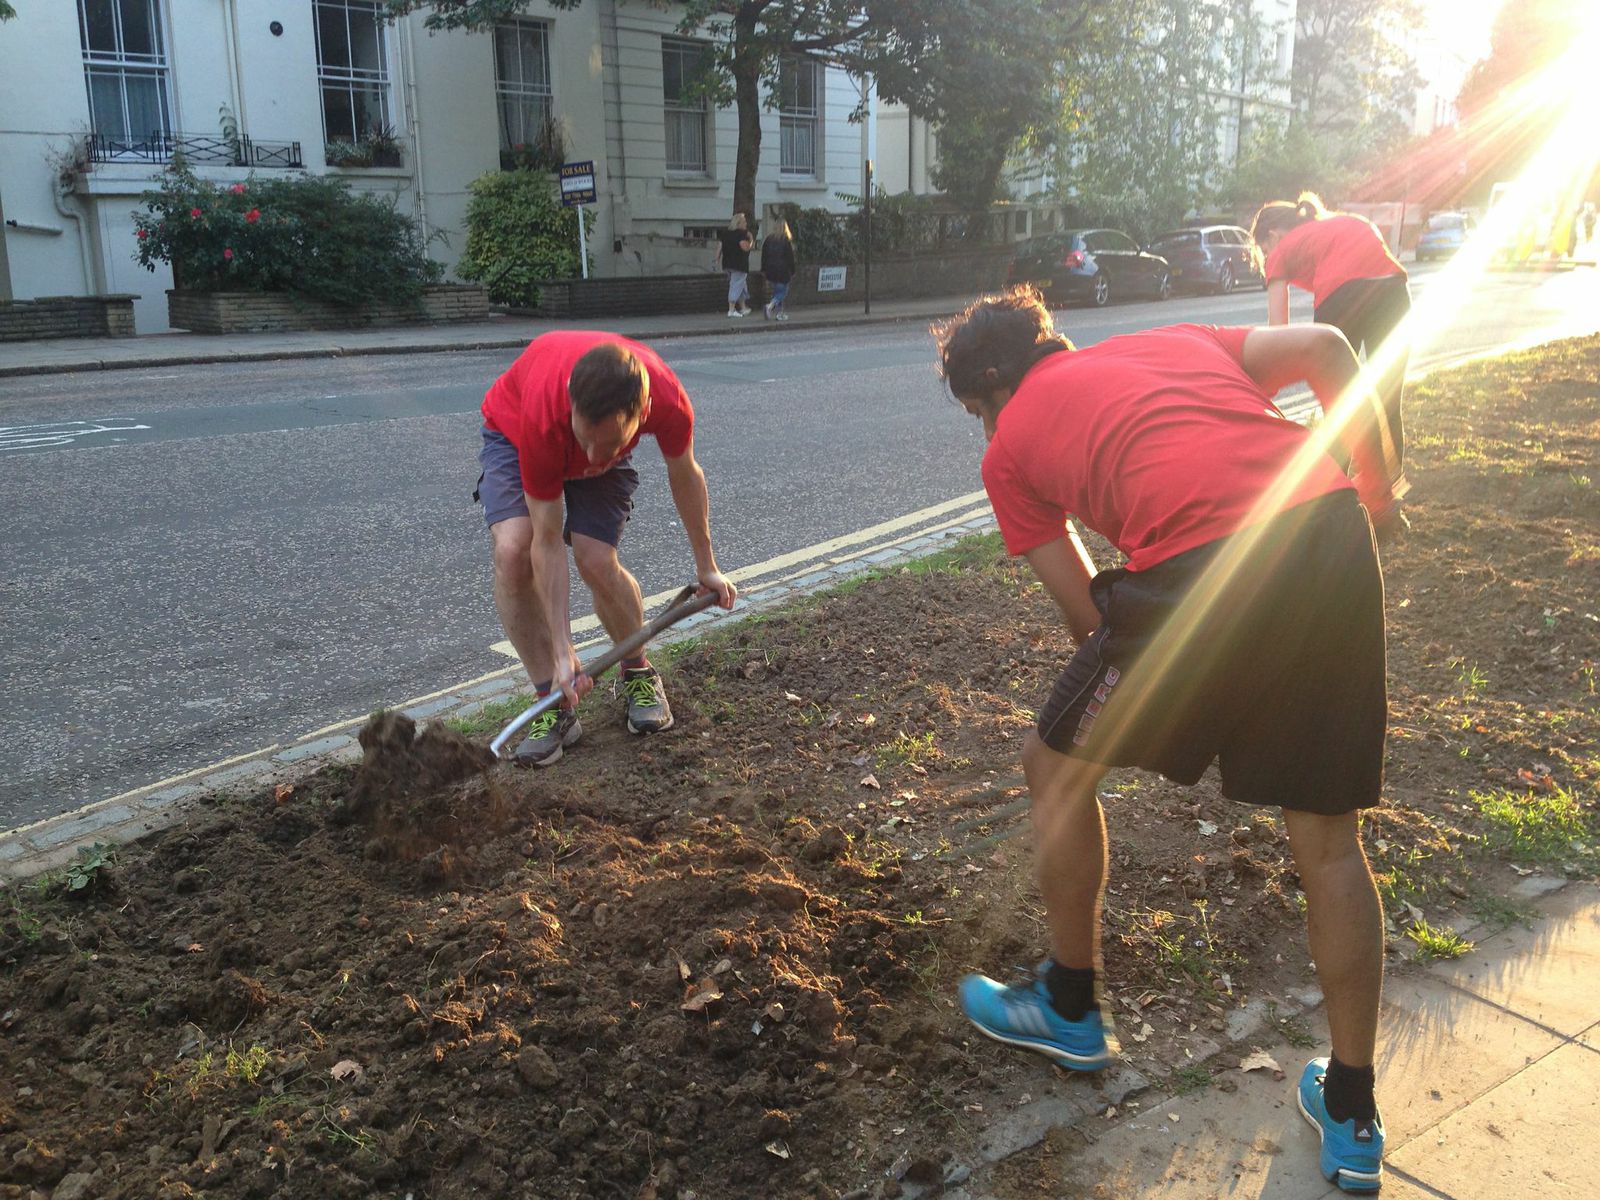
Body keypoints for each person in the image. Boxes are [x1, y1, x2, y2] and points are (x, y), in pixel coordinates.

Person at [934, 287, 1401, 1194]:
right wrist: (1378, 491)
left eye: (975, 412)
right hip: (1332, 536)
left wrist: (1168, 687)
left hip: (1199, 569)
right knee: (1328, 838)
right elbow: (1332, 348)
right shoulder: (1177, 340)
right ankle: (1351, 1110)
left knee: (1055, 768)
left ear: (991, 383)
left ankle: (1070, 1006)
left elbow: (1083, 617)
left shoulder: (1009, 454)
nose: (985, 432)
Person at [476, 331, 737, 765]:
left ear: (642, 414)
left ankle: (637, 670)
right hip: (516, 435)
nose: (593, 457)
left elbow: (685, 474)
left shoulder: (668, 398)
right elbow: (546, 540)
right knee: (513, 552)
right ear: (572, 404)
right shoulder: (545, 415)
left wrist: (706, 565)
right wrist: (564, 650)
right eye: (586, 440)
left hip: (585, 426)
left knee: (596, 560)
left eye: (609, 444)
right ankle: (551, 700)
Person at [1251, 193, 1410, 504]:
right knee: (1388, 399)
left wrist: (1265, 382)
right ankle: (1387, 500)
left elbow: (1277, 331)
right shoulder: (1343, 221)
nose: (1268, 256)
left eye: (1264, 250)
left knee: (1338, 407)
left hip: (1342, 298)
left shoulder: (1281, 251)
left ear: (1272, 236)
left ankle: (1334, 501)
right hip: (1394, 290)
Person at [716, 213, 755, 318]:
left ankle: (743, 308)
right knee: (736, 285)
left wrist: (717, 260)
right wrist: (751, 240)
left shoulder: (725, 234)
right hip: (739, 264)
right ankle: (731, 310)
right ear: (739, 223)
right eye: (744, 221)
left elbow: (719, 247)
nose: (746, 223)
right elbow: (745, 247)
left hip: (727, 264)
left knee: (741, 285)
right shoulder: (742, 234)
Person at [760, 217, 797, 321]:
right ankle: (770, 306)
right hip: (783, 270)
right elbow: (790, 257)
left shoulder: (768, 239)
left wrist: (763, 269)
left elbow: (764, 255)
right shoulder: (785, 240)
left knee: (777, 290)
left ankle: (780, 313)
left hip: (770, 270)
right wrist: (793, 271)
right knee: (782, 292)